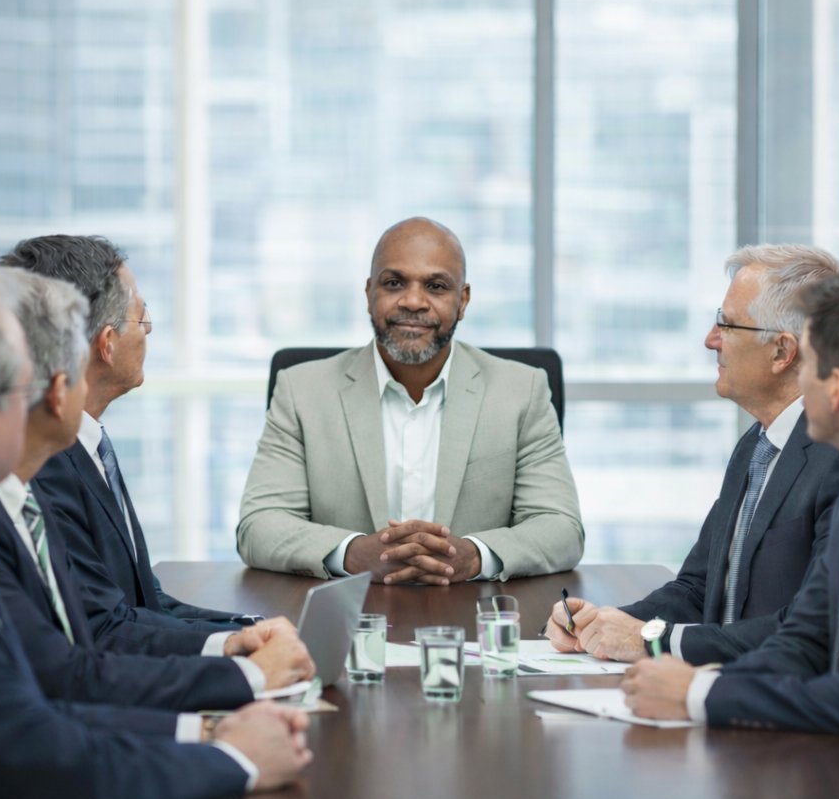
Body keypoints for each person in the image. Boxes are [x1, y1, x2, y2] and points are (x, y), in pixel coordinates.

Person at [0, 269, 311, 799]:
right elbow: (47, 766)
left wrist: (209, 731)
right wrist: (234, 758)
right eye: (33, 387)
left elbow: (39, 704)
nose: (56, 394)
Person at [622, 271, 839, 799]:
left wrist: (701, 694)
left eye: (806, 365)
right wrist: (683, 681)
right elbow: (805, 642)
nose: (797, 385)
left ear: (837, 389)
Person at [0, 268, 314, 711]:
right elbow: (81, 660)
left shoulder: (34, 487)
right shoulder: (16, 498)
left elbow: (128, 613)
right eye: (142, 315)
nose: (148, 329)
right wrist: (242, 677)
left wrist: (242, 636)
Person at [546, 245, 839, 664]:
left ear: (782, 351)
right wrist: (606, 624)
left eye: (726, 325)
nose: (711, 341)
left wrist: (654, 640)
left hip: (778, 704)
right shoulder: (757, 444)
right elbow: (697, 587)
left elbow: (812, 628)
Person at [238, 216, 583, 583]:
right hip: (347, 620)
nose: (414, 301)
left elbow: (561, 528)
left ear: (462, 301)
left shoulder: (521, 390)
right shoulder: (301, 390)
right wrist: (353, 554)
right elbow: (259, 525)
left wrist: (475, 556)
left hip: (474, 620)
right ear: (369, 293)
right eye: (394, 283)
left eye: (436, 286)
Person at [0, 235, 250, 650]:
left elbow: (145, 602)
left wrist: (249, 629)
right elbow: (103, 627)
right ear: (107, 344)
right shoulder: (42, 462)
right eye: (142, 315)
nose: (148, 328)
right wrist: (236, 646)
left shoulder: (89, 442)